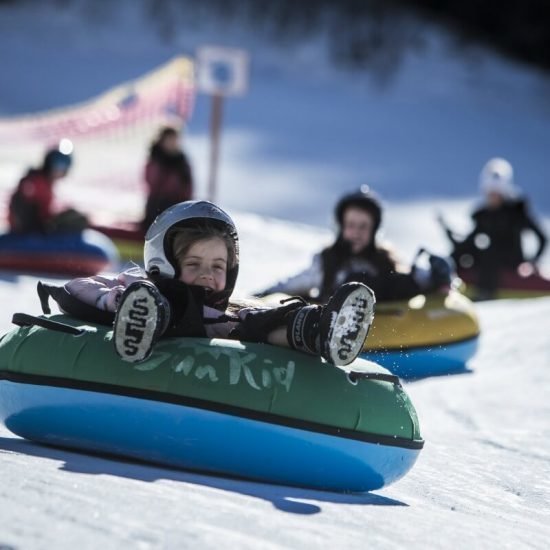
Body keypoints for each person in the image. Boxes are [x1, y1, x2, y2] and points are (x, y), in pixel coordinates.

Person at [37, 200, 375, 368]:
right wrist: (119, 301)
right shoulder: (136, 283)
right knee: (166, 305)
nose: (208, 274)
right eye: (194, 263)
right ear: (163, 263)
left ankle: (319, 329)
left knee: (255, 321)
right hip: (159, 309)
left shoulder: (224, 312)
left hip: (214, 327)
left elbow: (246, 323)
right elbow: (76, 289)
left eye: (218, 265)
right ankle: (141, 322)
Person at [258, 187, 451, 303]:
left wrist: (439, 275)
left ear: (374, 230)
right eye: (351, 226)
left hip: (386, 327)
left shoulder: (384, 261)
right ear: (341, 227)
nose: (356, 233)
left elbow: (415, 277)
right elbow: (296, 283)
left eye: (363, 226)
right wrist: (263, 296)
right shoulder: (328, 262)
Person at [440, 157, 547, 299]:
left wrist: (533, 261)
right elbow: (469, 242)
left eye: (496, 193)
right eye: (490, 192)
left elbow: (542, 237)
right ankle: (444, 285)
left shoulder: (516, 211)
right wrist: (451, 239)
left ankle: (484, 294)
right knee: (467, 254)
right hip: (489, 261)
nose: (492, 197)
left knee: (490, 253)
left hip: (511, 261)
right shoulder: (484, 215)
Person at [8, 140, 88, 234]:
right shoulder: (34, 182)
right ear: (49, 164)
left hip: (38, 229)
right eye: (59, 165)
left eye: (64, 166)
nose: (61, 170)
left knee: (77, 218)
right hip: (28, 232)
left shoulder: (46, 183)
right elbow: (21, 210)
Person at [141, 126, 194, 231]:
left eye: (175, 139)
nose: (173, 143)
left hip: (178, 207)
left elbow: (188, 187)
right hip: (157, 208)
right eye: (170, 139)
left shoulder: (182, 162)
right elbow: (152, 182)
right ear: (162, 140)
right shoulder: (156, 159)